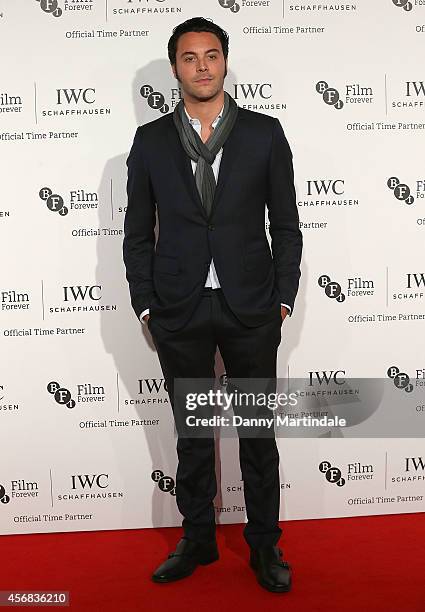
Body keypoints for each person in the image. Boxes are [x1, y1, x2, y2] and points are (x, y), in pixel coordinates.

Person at [123, 17, 302, 593]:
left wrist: (283, 298)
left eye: (212, 55)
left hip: (251, 306)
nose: (202, 66)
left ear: (226, 62)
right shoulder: (150, 141)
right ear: (175, 68)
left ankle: (264, 545)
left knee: (256, 434)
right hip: (179, 308)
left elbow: (287, 225)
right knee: (192, 435)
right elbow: (136, 233)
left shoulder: (263, 133)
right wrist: (146, 304)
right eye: (190, 57)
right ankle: (197, 538)